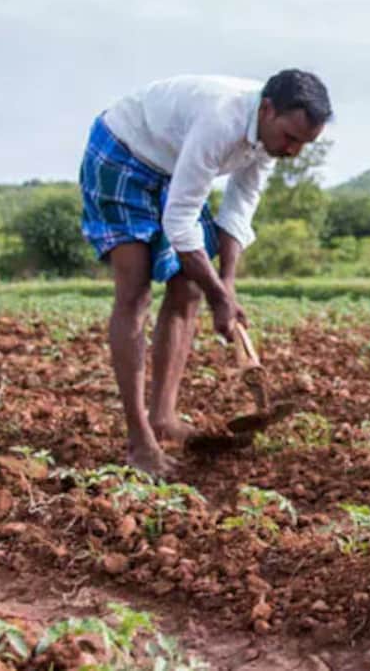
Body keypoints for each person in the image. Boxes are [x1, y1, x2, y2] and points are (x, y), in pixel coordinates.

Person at [78, 70, 331, 475]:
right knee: (135, 291)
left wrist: (225, 286)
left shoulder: (270, 141)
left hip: (171, 165)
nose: (294, 151)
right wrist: (220, 297)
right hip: (123, 153)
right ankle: (140, 441)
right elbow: (180, 222)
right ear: (267, 110)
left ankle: (164, 417)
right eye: (290, 137)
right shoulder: (221, 120)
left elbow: (237, 209)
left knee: (189, 290)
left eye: (304, 143)